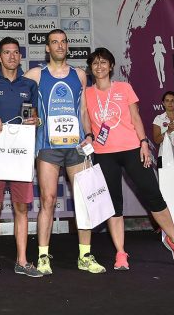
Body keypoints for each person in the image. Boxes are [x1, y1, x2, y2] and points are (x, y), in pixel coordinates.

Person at [84, 47, 174, 270]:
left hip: (132, 149)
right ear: (90, 68)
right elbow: (86, 119)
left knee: (153, 195)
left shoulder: (124, 88)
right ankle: (121, 253)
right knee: (114, 205)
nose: (99, 67)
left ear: (111, 66)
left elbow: (135, 117)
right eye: (95, 63)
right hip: (104, 154)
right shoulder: (87, 93)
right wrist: (88, 136)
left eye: (104, 63)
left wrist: (143, 142)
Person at [23, 29, 106, 275]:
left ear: (67, 46)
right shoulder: (37, 74)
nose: (60, 46)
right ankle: (43, 256)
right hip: (48, 147)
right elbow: (14, 87)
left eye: (63, 42)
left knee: (83, 201)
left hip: (76, 147)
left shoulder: (80, 75)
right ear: (47, 48)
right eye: (54, 43)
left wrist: (89, 135)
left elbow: (82, 111)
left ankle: (85, 255)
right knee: (47, 200)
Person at [0, 36, 42, 279]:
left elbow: (34, 116)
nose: (11, 56)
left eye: (15, 52)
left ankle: (22, 260)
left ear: (20, 56)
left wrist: (36, 120)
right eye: (6, 52)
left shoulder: (29, 85)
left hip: (20, 156)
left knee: (21, 208)